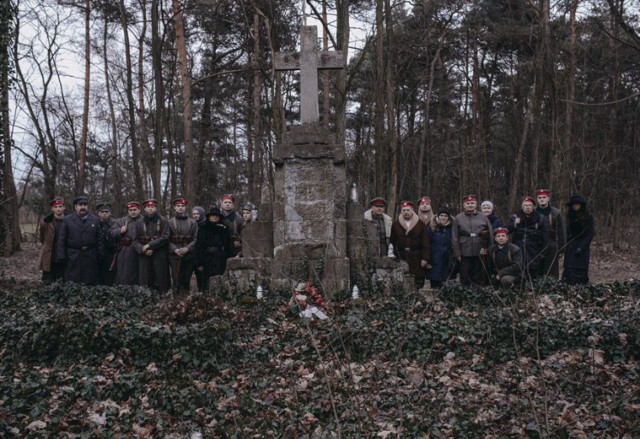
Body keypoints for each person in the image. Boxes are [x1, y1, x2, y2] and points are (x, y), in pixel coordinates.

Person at [55, 195, 103, 284]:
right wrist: (61, 256)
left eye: (85, 205)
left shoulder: (95, 220)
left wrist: (99, 254)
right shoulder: (67, 220)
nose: (83, 207)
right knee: (73, 281)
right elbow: (62, 240)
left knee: (90, 281)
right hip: (73, 256)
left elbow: (99, 239)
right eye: (80, 205)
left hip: (90, 256)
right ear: (75, 207)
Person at [452, 195, 493, 287]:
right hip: (464, 250)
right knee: (464, 274)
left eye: (472, 203)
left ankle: (476, 294)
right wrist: (457, 253)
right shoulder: (458, 218)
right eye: (468, 203)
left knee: (478, 274)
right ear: (464, 205)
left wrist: (489, 249)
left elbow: (490, 234)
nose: (470, 205)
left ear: (476, 204)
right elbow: (455, 237)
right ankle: (464, 294)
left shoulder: (483, 217)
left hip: (479, 248)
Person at [507, 196, 550, 281]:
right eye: (525, 205)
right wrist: (514, 224)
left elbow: (546, 237)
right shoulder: (515, 217)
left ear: (533, 207)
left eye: (529, 205)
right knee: (519, 268)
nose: (527, 207)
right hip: (518, 248)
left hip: (534, 249)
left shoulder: (540, 218)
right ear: (522, 207)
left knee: (533, 270)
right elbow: (506, 231)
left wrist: (543, 252)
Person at [390, 201, 430, 290]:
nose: (406, 212)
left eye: (408, 210)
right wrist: (395, 256)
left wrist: (425, 258)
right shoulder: (396, 224)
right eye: (403, 210)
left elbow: (425, 242)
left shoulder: (420, 224)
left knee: (419, 278)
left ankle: (416, 296)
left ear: (412, 211)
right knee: (402, 278)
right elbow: (393, 241)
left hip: (417, 255)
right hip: (402, 255)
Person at [134, 198, 171, 293]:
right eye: (148, 207)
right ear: (144, 209)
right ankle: (145, 298)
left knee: (161, 277)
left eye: (152, 207)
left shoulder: (163, 220)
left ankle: (163, 297)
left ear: (155, 208)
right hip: (144, 254)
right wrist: (143, 249)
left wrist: (150, 245)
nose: (150, 209)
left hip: (159, 253)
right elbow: (134, 241)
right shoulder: (138, 222)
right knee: (145, 278)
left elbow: (165, 237)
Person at [195, 207, 232, 292]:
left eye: (216, 216)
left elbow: (228, 245)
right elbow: (199, 246)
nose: (215, 217)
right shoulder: (203, 228)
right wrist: (199, 263)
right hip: (206, 259)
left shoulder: (224, 228)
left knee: (219, 280)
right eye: (213, 215)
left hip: (220, 259)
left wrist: (227, 258)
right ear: (209, 217)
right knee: (205, 282)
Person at [168, 196, 198, 294]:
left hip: (189, 256)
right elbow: (166, 239)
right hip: (175, 256)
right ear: (174, 208)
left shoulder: (193, 222)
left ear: (185, 207)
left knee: (186, 280)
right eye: (178, 206)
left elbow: (196, 239)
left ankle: (186, 301)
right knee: (176, 280)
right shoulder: (169, 223)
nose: (180, 208)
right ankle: (175, 301)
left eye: (182, 206)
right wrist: (175, 250)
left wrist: (187, 249)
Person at [563, 195, 595, 285]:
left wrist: (582, 247)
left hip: (582, 246)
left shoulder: (588, 216)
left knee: (580, 269)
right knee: (569, 268)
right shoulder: (569, 216)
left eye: (577, 204)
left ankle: (580, 287)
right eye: (573, 204)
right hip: (571, 245)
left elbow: (590, 233)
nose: (575, 206)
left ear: (581, 205)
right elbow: (568, 232)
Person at [110, 201, 143, 286]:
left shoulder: (144, 221)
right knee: (123, 273)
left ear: (139, 210)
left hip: (139, 250)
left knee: (139, 272)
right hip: (124, 251)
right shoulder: (121, 221)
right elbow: (111, 233)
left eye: (135, 209)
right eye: (130, 210)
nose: (133, 212)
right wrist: (119, 231)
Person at [535, 189, 565, 279]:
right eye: (540, 198)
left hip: (551, 244)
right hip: (537, 244)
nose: (542, 199)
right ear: (537, 199)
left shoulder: (556, 213)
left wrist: (561, 249)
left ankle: (552, 287)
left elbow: (561, 231)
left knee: (552, 269)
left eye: (544, 197)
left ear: (548, 198)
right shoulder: (533, 212)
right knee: (537, 267)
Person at [38, 197, 66, 284]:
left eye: (60, 206)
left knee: (63, 280)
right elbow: (42, 238)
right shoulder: (46, 222)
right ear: (52, 208)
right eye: (56, 207)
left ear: (64, 208)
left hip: (64, 255)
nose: (58, 209)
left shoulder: (69, 220)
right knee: (48, 281)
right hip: (50, 255)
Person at [427, 207, 454, 288]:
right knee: (435, 283)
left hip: (448, 259)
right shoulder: (432, 228)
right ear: (438, 217)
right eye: (441, 215)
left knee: (447, 283)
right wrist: (428, 260)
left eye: (445, 216)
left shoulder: (452, 228)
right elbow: (428, 244)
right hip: (435, 259)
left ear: (448, 217)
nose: (443, 217)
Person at [96, 202, 117, 285]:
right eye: (102, 212)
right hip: (97, 251)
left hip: (111, 251)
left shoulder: (115, 223)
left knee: (110, 274)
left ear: (110, 213)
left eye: (106, 212)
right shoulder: (94, 222)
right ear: (98, 213)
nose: (104, 214)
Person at [191, 206, 208, 291]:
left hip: (203, 255)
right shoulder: (192, 224)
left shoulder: (205, 225)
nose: (195, 216)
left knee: (203, 277)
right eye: (194, 214)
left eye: (197, 214)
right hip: (193, 254)